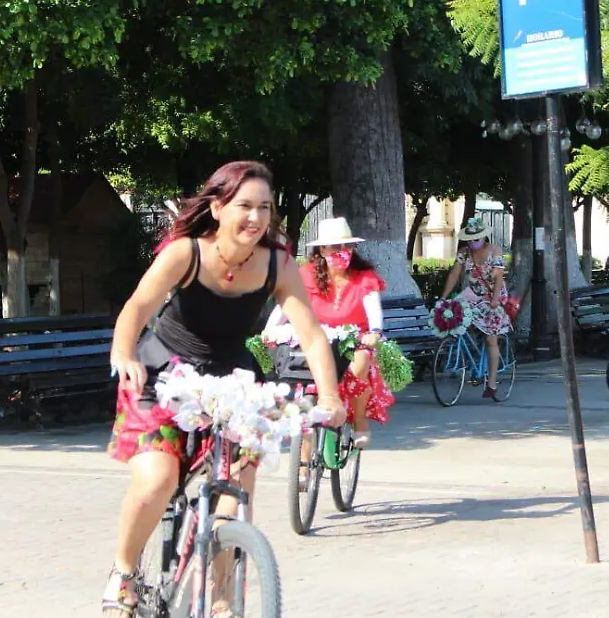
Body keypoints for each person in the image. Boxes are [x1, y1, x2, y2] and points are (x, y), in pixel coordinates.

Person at [102, 161, 345, 617]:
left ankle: (221, 599)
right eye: (245, 206)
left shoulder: (277, 263)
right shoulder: (186, 253)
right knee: (158, 481)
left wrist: (329, 396)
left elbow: (311, 334)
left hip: (235, 384)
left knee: (233, 499)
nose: (256, 218)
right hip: (164, 376)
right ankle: (124, 570)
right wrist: (124, 353)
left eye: (265, 208)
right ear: (217, 207)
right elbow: (137, 306)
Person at [265, 216, 394, 458]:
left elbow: (373, 309)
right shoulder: (306, 274)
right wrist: (270, 329)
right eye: (335, 247)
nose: (342, 252)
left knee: (361, 364)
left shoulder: (364, 276)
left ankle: (359, 422)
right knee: (305, 392)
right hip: (316, 338)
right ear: (322, 249)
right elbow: (287, 305)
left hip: (354, 338)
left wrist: (374, 332)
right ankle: (302, 464)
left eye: (347, 247)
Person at [440, 217, 511, 400]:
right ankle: (468, 361)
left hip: (493, 296)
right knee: (454, 316)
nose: (472, 242)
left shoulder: (494, 251)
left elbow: (499, 277)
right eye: (469, 239)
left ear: (483, 237)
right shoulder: (464, 253)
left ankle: (492, 383)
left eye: (476, 239)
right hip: (472, 294)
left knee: (490, 338)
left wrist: (495, 299)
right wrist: (443, 297)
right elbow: (455, 273)